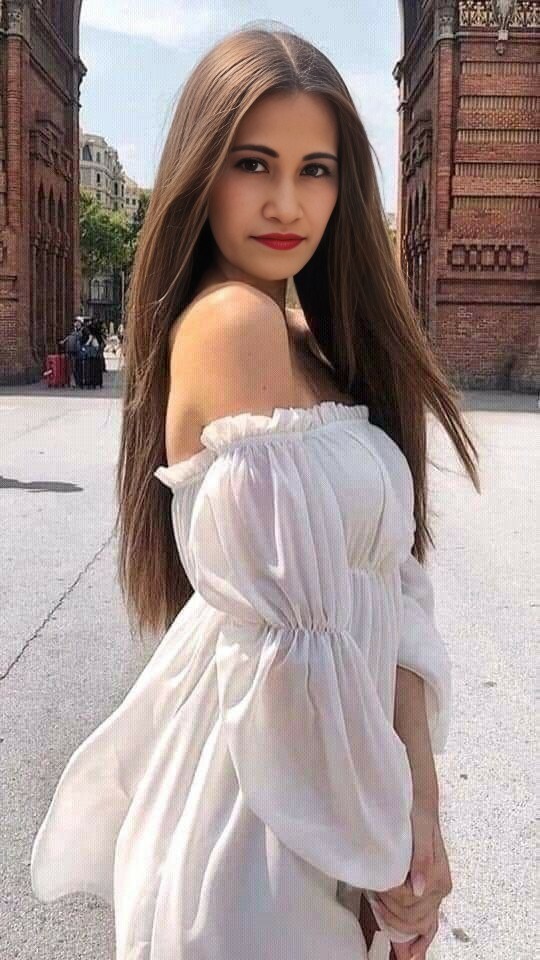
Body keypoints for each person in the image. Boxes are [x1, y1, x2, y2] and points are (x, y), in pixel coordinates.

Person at [30, 23, 481, 960]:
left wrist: (416, 823)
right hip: (264, 833)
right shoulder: (232, 322)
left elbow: (390, 590)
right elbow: (294, 663)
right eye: (253, 163)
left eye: (316, 169)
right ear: (203, 172)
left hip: (329, 807)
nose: (286, 202)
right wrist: (388, 849)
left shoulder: (310, 344)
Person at [59, 319, 83, 387]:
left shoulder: (80, 332)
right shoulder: (73, 332)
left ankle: (78, 382)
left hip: (77, 351)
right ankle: (75, 382)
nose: (76, 325)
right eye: (76, 324)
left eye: (78, 324)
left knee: (77, 367)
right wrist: (64, 341)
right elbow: (69, 337)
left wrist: (64, 341)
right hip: (72, 351)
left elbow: (79, 336)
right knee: (74, 367)